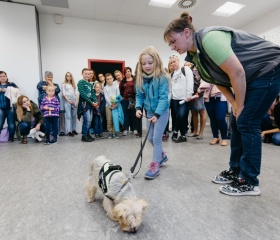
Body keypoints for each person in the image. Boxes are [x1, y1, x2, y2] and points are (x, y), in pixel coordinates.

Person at [164, 11, 280, 196]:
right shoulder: (196, 55)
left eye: (172, 41)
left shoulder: (209, 39)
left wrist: (239, 105)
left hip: (269, 69)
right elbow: (217, 78)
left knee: (246, 122)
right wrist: (234, 103)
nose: (171, 47)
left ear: (186, 32)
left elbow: (237, 73)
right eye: (169, 44)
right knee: (236, 121)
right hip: (253, 76)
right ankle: (236, 171)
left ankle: (249, 181)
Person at [135, 46, 170, 180]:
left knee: (156, 138)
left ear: (156, 61)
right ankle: (162, 155)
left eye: (150, 62)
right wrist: (138, 108)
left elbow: (163, 98)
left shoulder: (162, 78)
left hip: (161, 112)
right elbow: (139, 95)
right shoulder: (140, 78)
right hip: (149, 112)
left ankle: (155, 164)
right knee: (149, 138)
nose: (147, 66)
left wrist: (157, 115)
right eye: (144, 63)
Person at [169, 55, 194, 143]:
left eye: (174, 61)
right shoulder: (171, 74)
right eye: (171, 63)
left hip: (184, 99)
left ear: (178, 61)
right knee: (178, 117)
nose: (173, 64)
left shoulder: (185, 69)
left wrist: (189, 94)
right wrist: (170, 99)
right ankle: (183, 135)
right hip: (175, 99)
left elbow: (190, 82)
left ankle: (175, 131)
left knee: (181, 115)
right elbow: (170, 88)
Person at [198, 81, 228, 146]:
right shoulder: (207, 72)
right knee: (212, 118)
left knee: (220, 118)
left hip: (220, 96)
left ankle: (224, 138)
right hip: (208, 96)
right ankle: (215, 137)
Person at [186, 63, 206, 140]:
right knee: (194, 112)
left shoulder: (203, 67)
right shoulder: (190, 69)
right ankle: (195, 131)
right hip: (192, 93)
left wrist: (199, 92)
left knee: (202, 112)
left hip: (200, 93)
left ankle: (201, 133)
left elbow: (205, 81)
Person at [77, 68, 97, 142]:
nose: (87, 75)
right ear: (82, 74)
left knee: (90, 120)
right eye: (85, 74)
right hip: (85, 104)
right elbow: (83, 94)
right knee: (87, 120)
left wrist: (95, 101)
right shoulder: (81, 82)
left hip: (90, 104)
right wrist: (91, 102)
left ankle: (88, 134)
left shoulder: (90, 84)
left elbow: (93, 94)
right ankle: (84, 136)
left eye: (89, 74)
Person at [0, 71, 19, 142]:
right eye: (0, 76)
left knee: (11, 123)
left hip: (10, 107)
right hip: (0, 108)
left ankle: (11, 138)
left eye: (4, 76)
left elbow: (18, 91)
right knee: (0, 123)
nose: (2, 77)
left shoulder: (11, 84)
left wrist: (8, 90)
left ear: (6, 77)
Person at [120, 67, 137, 136]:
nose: (128, 72)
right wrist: (123, 97)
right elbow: (121, 91)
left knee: (133, 115)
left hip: (133, 100)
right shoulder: (122, 81)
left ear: (131, 72)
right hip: (125, 101)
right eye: (126, 71)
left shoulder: (134, 80)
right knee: (126, 115)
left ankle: (134, 129)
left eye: (129, 71)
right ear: (124, 73)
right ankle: (126, 129)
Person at [103, 73, 122, 139]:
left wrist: (115, 104)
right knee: (109, 120)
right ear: (106, 80)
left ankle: (115, 132)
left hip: (116, 105)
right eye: (107, 79)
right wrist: (111, 105)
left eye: (110, 78)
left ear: (113, 79)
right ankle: (110, 133)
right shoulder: (105, 88)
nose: (109, 80)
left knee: (115, 119)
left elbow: (118, 95)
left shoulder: (116, 86)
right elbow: (106, 97)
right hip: (108, 106)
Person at [62, 72, 79, 137]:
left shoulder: (74, 85)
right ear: (66, 77)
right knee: (68, 116)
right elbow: (64, 94)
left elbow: (77, 93)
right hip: (67, 100)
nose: (68, 77)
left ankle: (73, 129)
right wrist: (69, 101)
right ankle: (69, 131)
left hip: (74, 99)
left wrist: (76, 102)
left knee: (74, 115)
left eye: (70, 76)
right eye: (67, 76)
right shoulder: (64, 84)